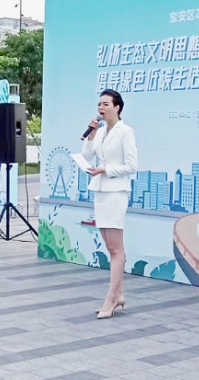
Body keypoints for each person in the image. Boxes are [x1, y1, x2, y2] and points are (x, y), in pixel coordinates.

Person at [81, 88, 138, 319]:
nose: (101, 108)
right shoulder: (101, 131)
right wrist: (92, 135)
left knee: (116, 249)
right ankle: (119, 293)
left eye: (106, 104)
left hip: (116, 192)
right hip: (100, 191)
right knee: (110, 247)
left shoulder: (126, 132)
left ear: (117, 107)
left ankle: (112, 298)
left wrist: (106, 169)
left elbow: (131, 166)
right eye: (99, 104)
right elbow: (87, 155)